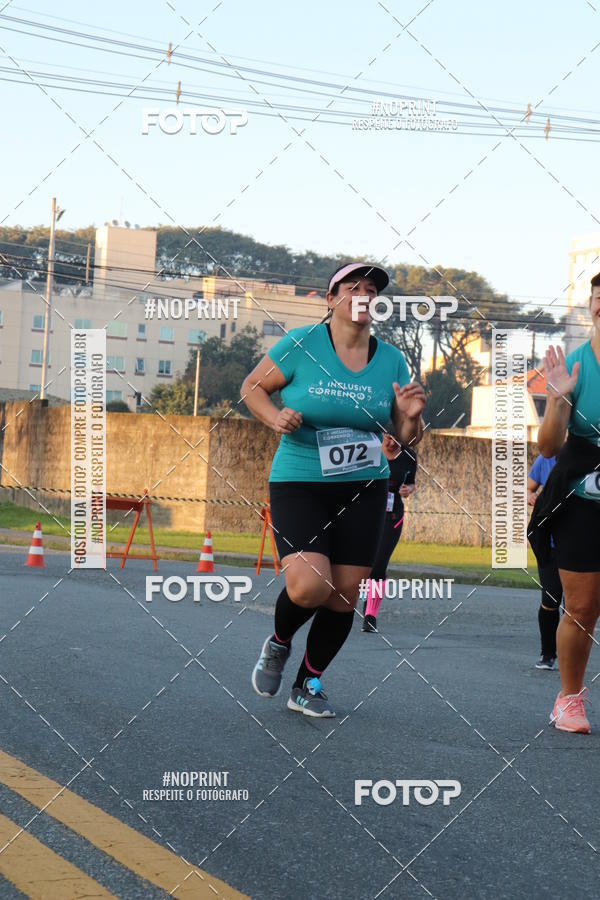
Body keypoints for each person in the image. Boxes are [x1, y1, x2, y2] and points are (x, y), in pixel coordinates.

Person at [241, 262, 425, 717]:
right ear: (332, 299)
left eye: (371, 289)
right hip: (300, 479)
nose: (363, 294)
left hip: (363, 485)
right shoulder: (301, 344)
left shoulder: (392, 360)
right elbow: (252, 388)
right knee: (308, 586)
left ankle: (307, 684)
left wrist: (409, 417)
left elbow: (404, 439)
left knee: (345, 593)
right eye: (352, 287)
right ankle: (279, 642)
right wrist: (274, 417)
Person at [530, 271, 600, 734]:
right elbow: (549, 448)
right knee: (583, 605)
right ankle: (569, 699)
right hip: (582, 500)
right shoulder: (573, 365)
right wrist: (557, 401)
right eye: (599, 296)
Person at [362, 433, 417, 632]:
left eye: (396, 439)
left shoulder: (408, 456)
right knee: (362, 565)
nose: (391, 443)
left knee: (378, 566)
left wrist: (408, 489)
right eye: (388, 437)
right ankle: (361, 600)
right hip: (366, 515)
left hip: (392, 517)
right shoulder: (368, 450)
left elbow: (411, 481)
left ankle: (370, 616)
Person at [527, 453, 561, 669]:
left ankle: (572, 659)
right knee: (550, 600)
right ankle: (547, 654)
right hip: (548, 543)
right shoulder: (546, 459)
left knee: (577, 607)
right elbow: (529, 488)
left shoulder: (588, 458)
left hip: (580, 543)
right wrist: (530, 496)